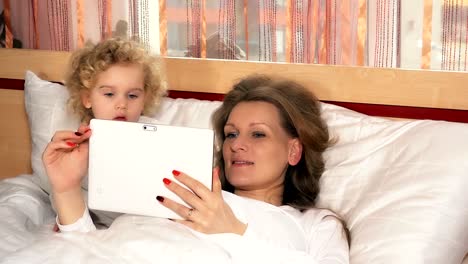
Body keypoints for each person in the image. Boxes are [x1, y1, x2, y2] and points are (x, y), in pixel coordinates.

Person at [155, 75, 349, 262]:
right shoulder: (185, 197)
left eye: (257, 134)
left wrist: (234, 232)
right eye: (231, 134)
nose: (236, 144)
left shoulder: (315, 224)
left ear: (293, 151)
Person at [42, 37, 166, 232]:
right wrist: (65, 209)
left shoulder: (159, 136)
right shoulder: (77, 147)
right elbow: (62, 200)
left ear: (145, 99)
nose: (122, 104)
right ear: (87, 98)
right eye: (109, 94)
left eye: (133, 95)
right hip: (94, 229)